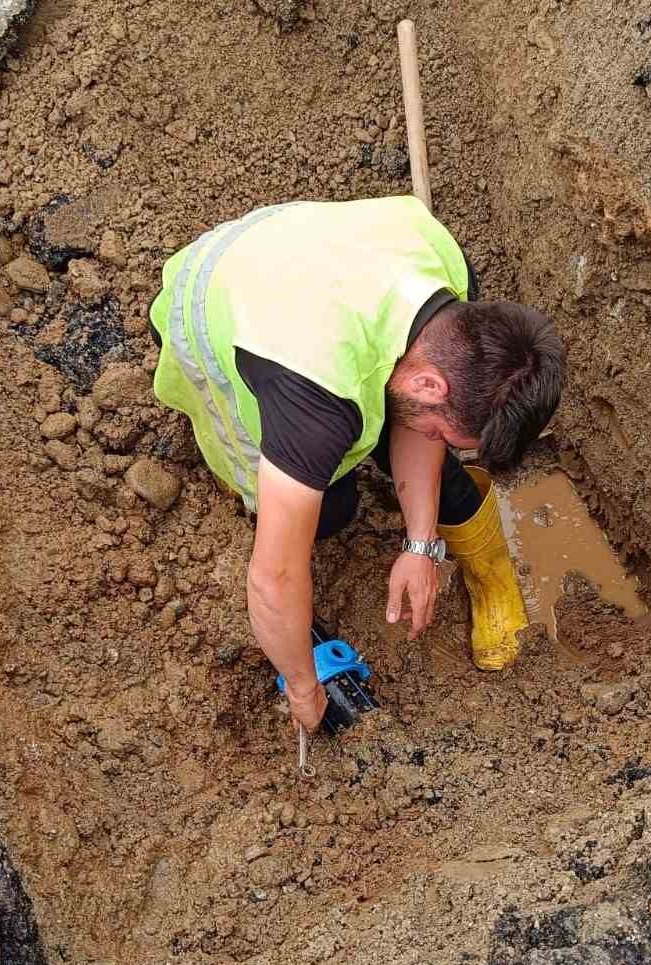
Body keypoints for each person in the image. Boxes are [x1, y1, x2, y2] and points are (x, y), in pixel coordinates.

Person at [149, 195, 565, 732]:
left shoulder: (450, 283)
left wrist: (420, 546)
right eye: (445, 433)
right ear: (428, 383)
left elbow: (420, 416)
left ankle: (491, 574)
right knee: (327, 512)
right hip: (212, 310)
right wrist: (302, 685)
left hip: (309, 267)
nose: (440, 440)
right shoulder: (311, 399)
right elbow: (273, 574)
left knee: (404, 424)